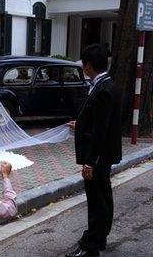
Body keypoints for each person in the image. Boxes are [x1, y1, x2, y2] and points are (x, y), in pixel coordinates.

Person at [66, 44, 121, 257]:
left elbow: (101, 132)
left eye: (83, 64)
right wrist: (81, 124)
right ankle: (98, 237)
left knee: (97, 200)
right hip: (102, 155)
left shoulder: (103, 90)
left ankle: (92, 246)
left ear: (88, 65)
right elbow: (100, 122)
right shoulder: (107, 84)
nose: (82, 68)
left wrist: (90, 162)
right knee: (102, 197)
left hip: (98, 157)